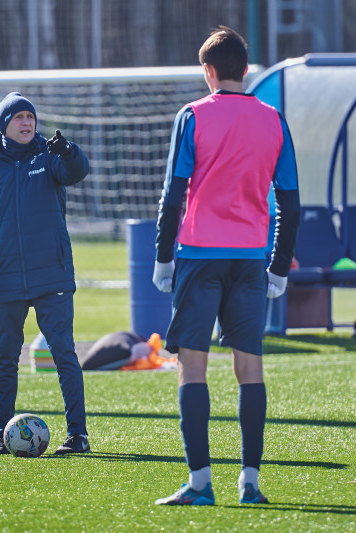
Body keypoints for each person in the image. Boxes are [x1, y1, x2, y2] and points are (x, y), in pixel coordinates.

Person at [151, 27, 300, 505]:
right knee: (249, 370)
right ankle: (250, 483)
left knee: (191, 368)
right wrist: (278, 267)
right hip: (251, 259)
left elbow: (173, 194)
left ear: (209, 72)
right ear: (246, 69)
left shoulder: (192, 115)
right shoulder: (274, 119)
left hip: (198, 256)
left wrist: (162, 256)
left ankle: (199, 483)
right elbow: (290, 203)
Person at [0, 92, 91, 455]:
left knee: (64, 354)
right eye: (18, 117)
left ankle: (78, 436)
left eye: (30, 117)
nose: (26, 122)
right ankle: (2, 433)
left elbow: (76, 172)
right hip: (7, 280)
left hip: (53, 276)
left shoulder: (49, 157)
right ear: (4, 125)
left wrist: (69, 151)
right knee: (5, 358)